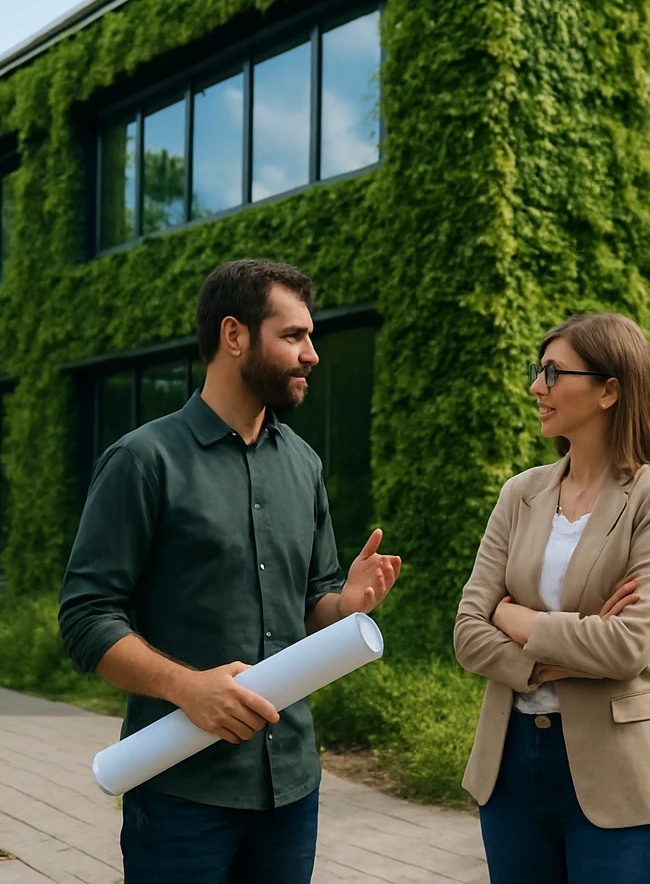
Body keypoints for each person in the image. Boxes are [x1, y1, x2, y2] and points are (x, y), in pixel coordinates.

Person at [58, 259, 400, 884]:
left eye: (310, 336)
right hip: (182, 792)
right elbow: (86, 619)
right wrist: (189, 688)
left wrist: (344, 607)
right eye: (293, 336)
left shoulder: (304, 466)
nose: (312, 355)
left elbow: (312, 604)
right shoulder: (143, 461)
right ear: (234, 335)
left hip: (291, 789)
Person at [454, 311, 650, 884]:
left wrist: (513, 617)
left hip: (621, 771)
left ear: (609, 390)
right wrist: (565, 652)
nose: (535, 388)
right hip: (510, 766)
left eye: (552, 373)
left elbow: (627, 647)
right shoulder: (520, 493)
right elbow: (468, 632)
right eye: (538, 371)